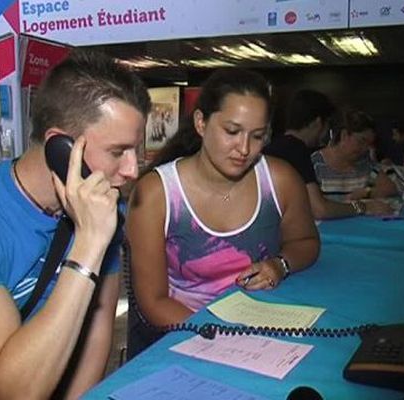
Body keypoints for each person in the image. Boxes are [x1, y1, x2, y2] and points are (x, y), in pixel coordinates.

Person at [0, 51, 150, 399]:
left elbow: (98, 328)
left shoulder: (105, 206)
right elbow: (9, 393)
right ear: (61, 146)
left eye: (136, 151)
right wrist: (88, 245)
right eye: (118, 152)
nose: (133, 170)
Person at [125, 68, 320, 358]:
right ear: (201, 122)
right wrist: (220, 337)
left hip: (259, 326)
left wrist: (280, 265)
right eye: (232, 132)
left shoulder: (281, 180)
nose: (244, 149)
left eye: (257, 136)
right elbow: (153, 301)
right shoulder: (156, 194)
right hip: (184, 331)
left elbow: (306, 242)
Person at [264, 90, 393, 219]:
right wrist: (362, 207)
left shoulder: (271, 148)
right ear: (318, 123)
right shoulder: (299, 152)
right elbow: (319, 209)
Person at [311, 110, 398, 210]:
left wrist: (366, 192)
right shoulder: (315, 164)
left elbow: (390, 188)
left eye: (369, 144)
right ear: (344, 135)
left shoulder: (365, 163)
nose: (365, 148)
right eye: (361, 141)